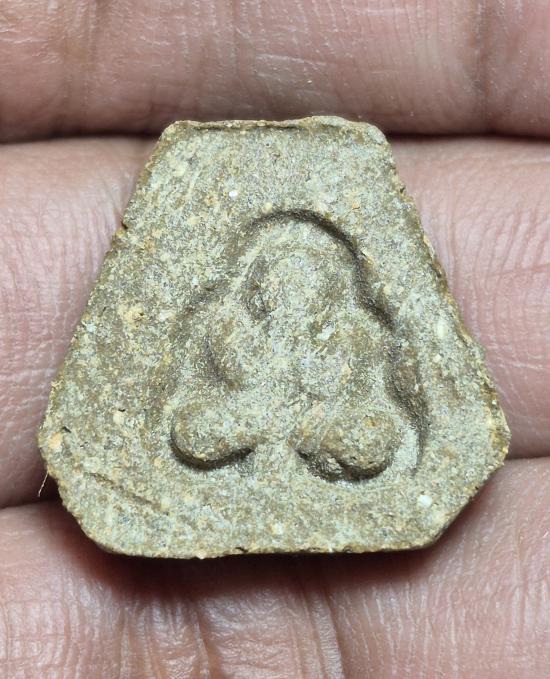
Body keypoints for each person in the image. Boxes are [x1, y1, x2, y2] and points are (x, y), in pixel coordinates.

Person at [0, 2, 548, 677]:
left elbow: (364, 415)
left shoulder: (352, 333)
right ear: (255, 285)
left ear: (328, 289)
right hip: (243, 421)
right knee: (195, 427)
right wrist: (255, 412)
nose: (291, 294)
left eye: (307, 283)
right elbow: (201, 419)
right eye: (277, 282)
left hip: (322, 430)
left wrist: (315, 417)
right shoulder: (228, 326)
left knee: (372, 438)